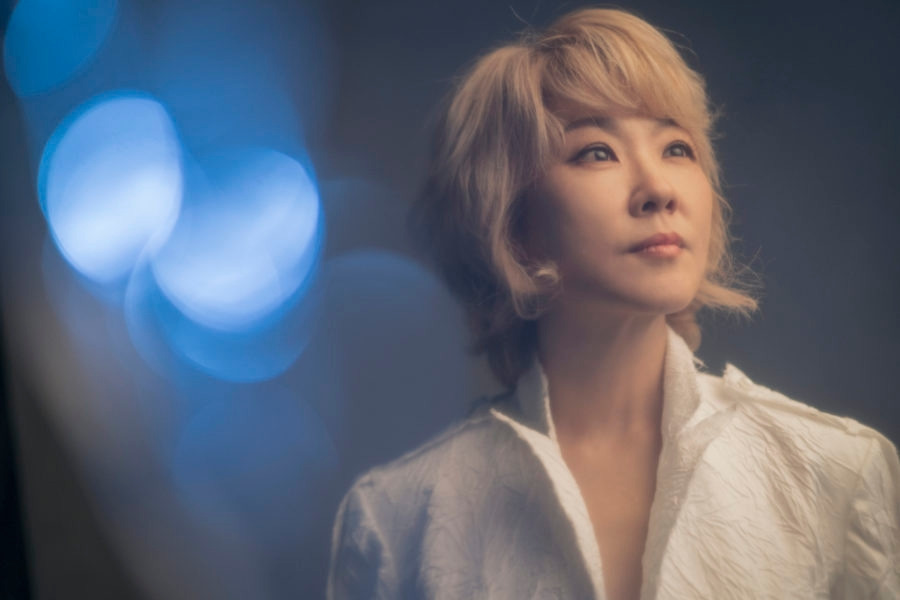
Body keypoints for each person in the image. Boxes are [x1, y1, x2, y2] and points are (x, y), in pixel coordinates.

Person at [326, 7, 899, 599]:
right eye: (597, 152)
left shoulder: (836, 473)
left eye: (677, 148)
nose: (659, 190)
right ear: (512, 219)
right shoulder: (395, 521)